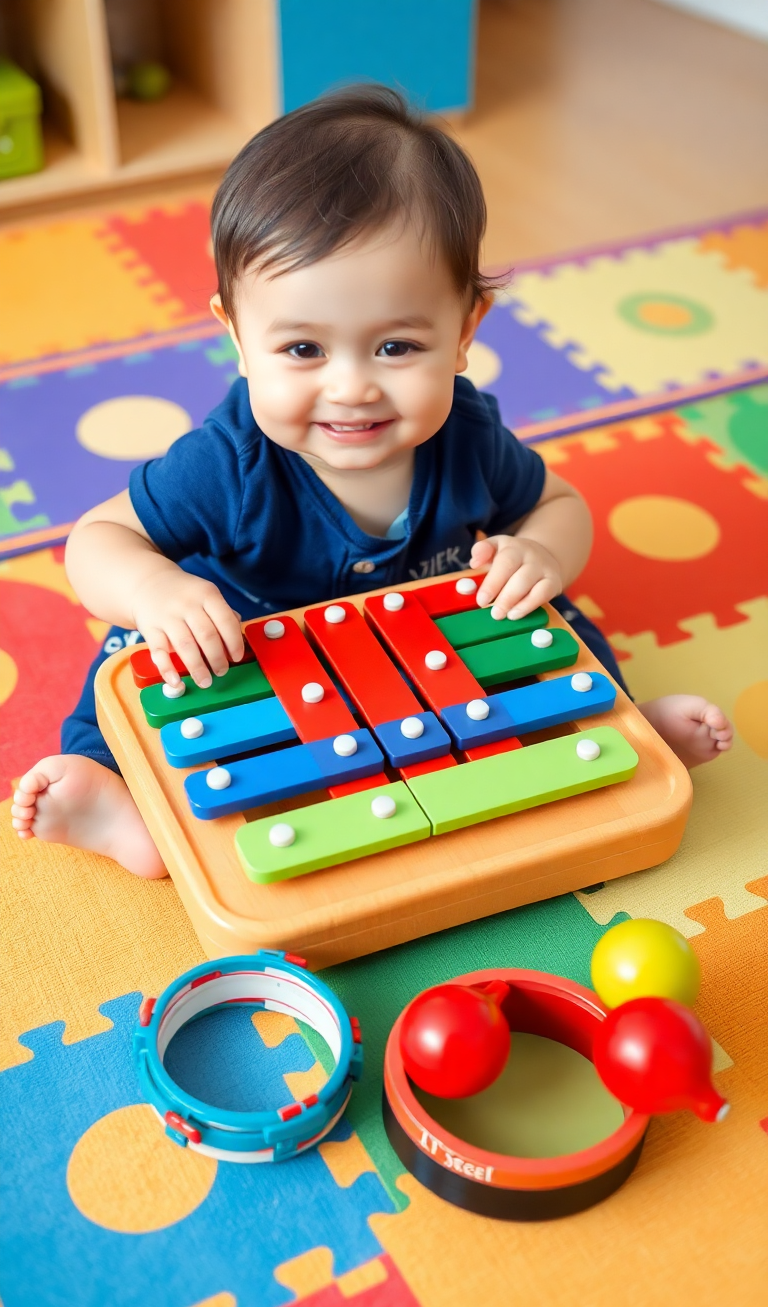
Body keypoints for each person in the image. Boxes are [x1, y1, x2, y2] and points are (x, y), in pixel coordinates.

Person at [11, 86, 733, 877]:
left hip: (424, 643)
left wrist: (543, 556)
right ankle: (112, 798)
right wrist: (156, 592)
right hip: (253, 647)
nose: (351, 387)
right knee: (133, 653)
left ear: (463, 332)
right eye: (302, 351)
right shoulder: (229, 461)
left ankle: (622, 728)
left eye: (395, 348)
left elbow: (556, 504)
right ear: (237, 337)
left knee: (552, 613)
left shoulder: (468, 433)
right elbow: (97, 539)